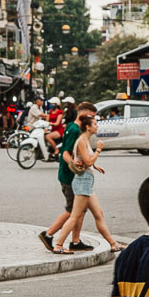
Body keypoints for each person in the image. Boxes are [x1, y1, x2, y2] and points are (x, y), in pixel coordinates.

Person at [52, 112, 124, 254]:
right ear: (88, 127)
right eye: (95, 124)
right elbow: (88, 160)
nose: (97, 126)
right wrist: (99, 149)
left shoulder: (85, 140)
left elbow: (87, 162)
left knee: (99, 214)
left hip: (87, 181)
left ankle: (113, 244)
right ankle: (58, 245)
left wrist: (95, 166)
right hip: (83, 182)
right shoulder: (82, 141)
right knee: (74, 216)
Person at [40, 101, 98, 253]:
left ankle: (75, 240)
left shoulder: (73, 127)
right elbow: (65, 152)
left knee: (81, 210)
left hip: (69, 174)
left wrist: (91, 164)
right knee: (73, 210)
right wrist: (75, 163)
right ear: (83, 113)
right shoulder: (74, 130)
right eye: (91, 117)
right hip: (70, 176)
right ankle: (49, 234)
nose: (93, 121)